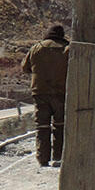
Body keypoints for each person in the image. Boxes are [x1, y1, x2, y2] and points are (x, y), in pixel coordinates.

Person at [21, 23, 69, 168]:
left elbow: (25, 68)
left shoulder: (36, 48)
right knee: (60, 125)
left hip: (40, 92)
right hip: (61, 92)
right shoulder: (68, 49)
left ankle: (42, 158)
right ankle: (58, 156)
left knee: (42, 126)